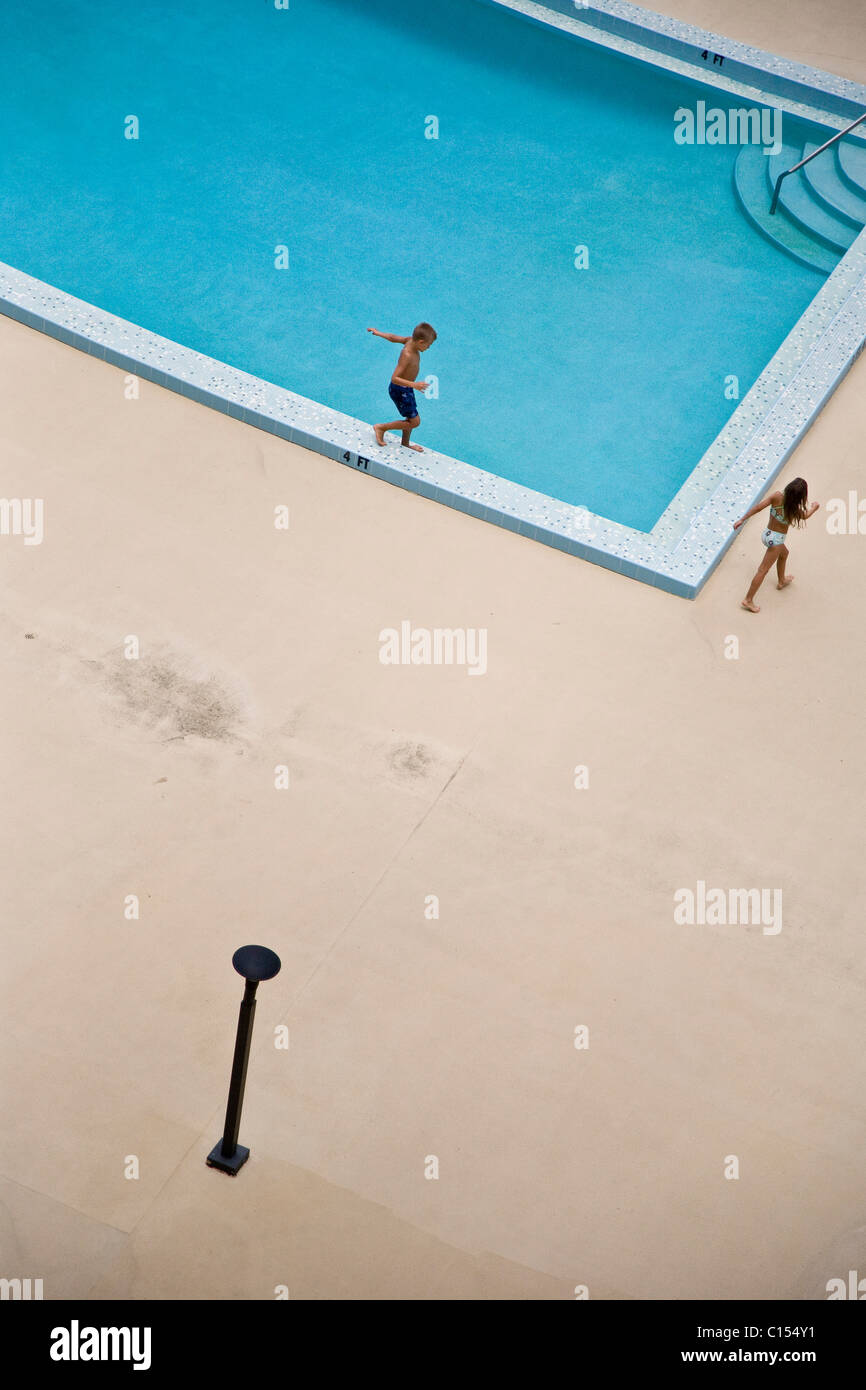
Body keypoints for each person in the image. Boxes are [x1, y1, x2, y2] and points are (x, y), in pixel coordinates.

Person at [732, 477, 819, 612]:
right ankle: (748, 600)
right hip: (776, 541)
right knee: (762, 570)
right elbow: (805, 516)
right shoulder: (793, 509)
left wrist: (742, 519)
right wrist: (814, 507)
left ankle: (782, 580)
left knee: (784, 554)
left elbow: (758, 507)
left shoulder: (777, 496)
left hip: (767, 534)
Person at [368, 322, 437, 451]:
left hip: (406, 389)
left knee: (411, 416)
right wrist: (414, 385)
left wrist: (378, 333)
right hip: (399, 389)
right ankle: (381, 427)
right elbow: (394, 378)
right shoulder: (407, 354)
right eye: (428, 345)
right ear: (421, 342)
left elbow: (393, 338)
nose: (428, 348)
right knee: (415, 421)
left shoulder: (410, 341)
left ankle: (405, 443)